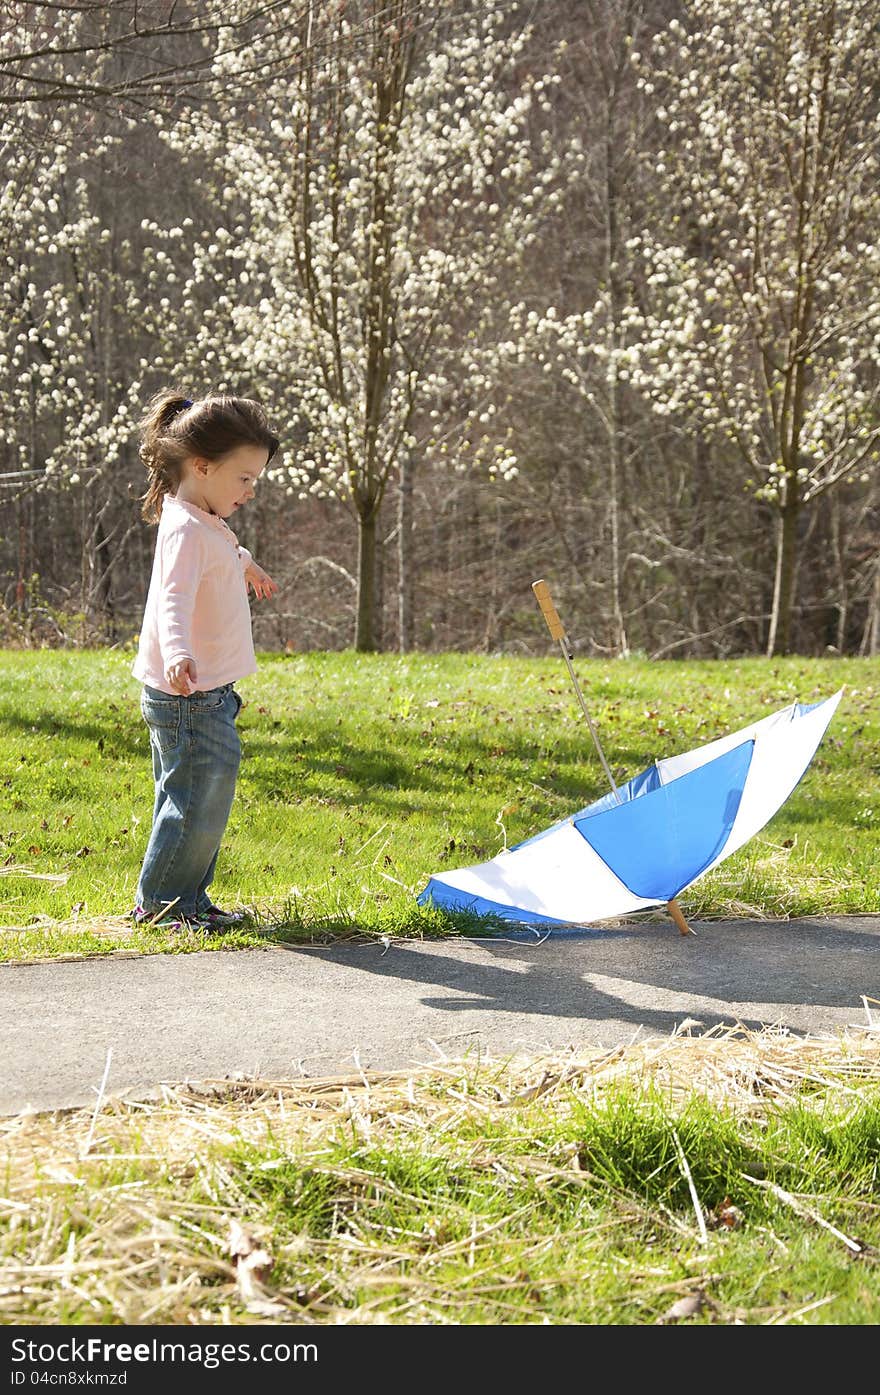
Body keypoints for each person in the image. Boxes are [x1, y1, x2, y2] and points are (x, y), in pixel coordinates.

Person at [130, 390, 280, 929]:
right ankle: (164, 903)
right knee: (196, 798)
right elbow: (172, 598)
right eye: (244, 478)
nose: (250, 490)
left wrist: (247, 564)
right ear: (201, 465)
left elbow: (223, 551)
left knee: (200, 796)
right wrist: (178, 651)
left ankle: (187, 898)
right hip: (190, 694)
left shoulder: (202, 518)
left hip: (207, 693)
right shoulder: (185, 529)